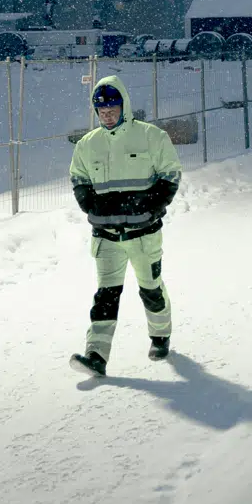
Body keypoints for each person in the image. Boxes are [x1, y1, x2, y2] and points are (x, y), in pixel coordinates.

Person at [68, 75, 182, 377]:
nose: (107, 114)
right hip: (106, 237)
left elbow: (170, 174)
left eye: (112, 108)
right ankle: (96, 355)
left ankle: (160, 336)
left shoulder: (151, 137)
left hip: (143, 235)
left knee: (151, 290)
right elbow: (79, 179)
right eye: (101, 110)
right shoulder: (87, 145)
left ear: (124, 106)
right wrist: (91, 205)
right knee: (106, 295)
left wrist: (151, 205)